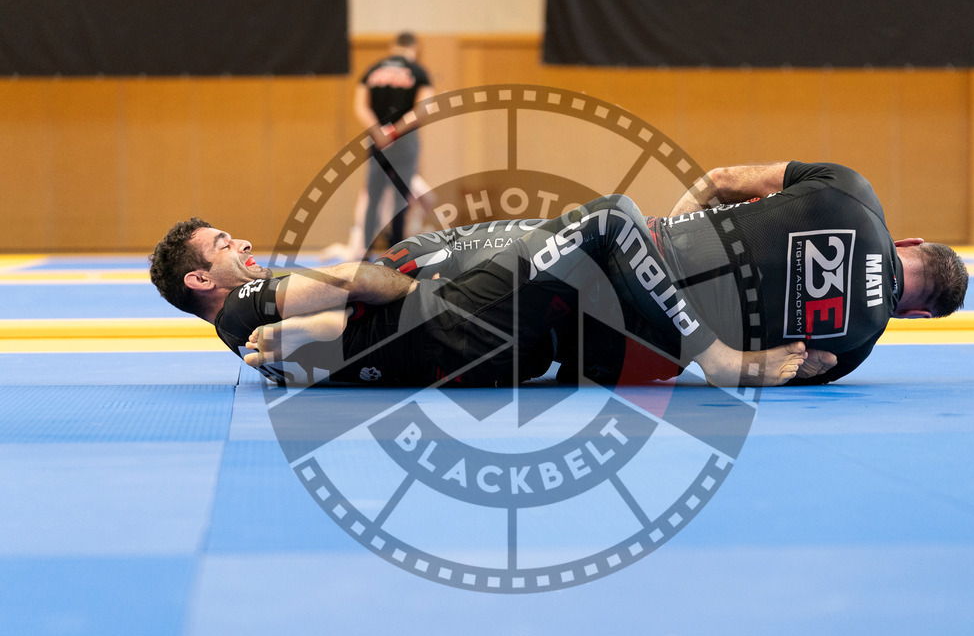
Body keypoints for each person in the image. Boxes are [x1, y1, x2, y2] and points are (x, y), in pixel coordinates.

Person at [374, 161, 969, 385]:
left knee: (436, 265)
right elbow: (782, 366)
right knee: (520, 348)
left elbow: (718, 181)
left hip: (623, 262)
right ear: (918, 314)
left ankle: (333, 315)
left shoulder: (851, 191)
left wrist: (665, 235)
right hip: (631, 357)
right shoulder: (855, 349)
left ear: (909, 242)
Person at [148, 196, 812, 389]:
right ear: (199, 280)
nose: (241, 243)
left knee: (586, 310)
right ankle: (720, 360)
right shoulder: (247, 305)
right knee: (610, 218)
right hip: (452, 321)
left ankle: (774, 344)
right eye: (222, 244)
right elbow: (356, 283)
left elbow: (328, 336)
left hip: (464, 361)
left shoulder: (247, 341)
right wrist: (395, 277)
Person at [355, 32, 434, 254]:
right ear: (415, 48)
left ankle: (365, 252)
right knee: (401, 199)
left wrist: (378, 131)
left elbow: (360, 106)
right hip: (403, 140)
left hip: (377, 141)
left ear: (393, 46)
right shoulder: (418, 72)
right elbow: (423, 107)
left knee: (373, 197)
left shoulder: (373, 70)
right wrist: (395, 130)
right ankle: (395, 253)